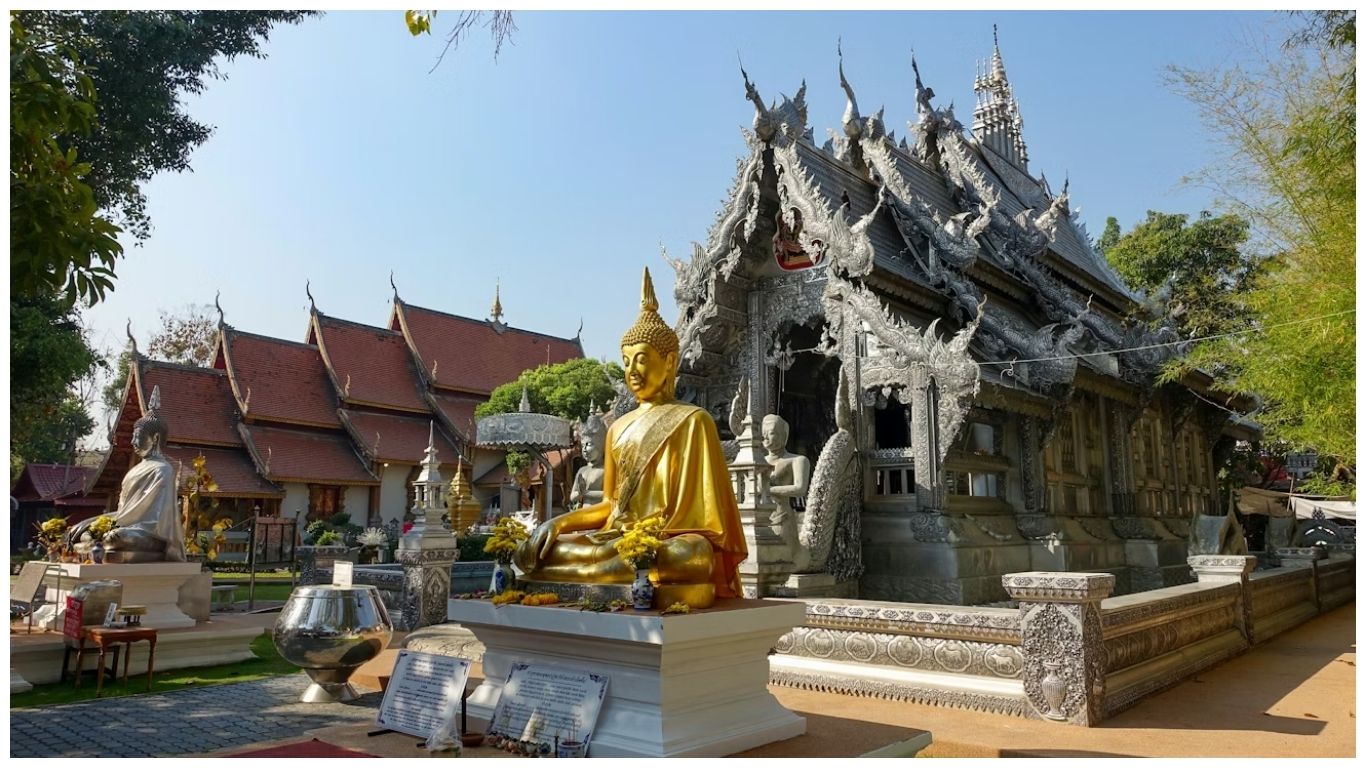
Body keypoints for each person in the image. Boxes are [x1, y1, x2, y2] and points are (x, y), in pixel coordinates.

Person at [515, 268, 747, 608]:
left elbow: (704, 522)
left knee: (691, 557)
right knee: (536, 550)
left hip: (666, 540)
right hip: (616, 539)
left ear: (669, 362)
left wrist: (647, 541)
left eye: (642, 360)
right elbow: (611, 505)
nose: (632, 371)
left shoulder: (694, 421)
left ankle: (609, 569)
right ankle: (608, 568)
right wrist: (558, 523)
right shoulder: (618, 428)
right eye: (626, 362)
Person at [68, 386, 185, 562]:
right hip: (124, 526)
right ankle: (96, 540)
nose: (132, 442)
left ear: (155, 438)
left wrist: (117, 526)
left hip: (148, 533)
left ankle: (103, 541)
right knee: (81, 531)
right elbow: (123, 512)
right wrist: (97, 522)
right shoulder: (134, 470)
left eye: (137, 436)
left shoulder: (163, 470)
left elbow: (157, 520)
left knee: (117, 537)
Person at [761, 415, 810, 528]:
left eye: (771, 433)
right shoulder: (759, 461)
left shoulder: (797, 460)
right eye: (763, 433)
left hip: (782, 517)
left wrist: (767, 490)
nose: (765, 437)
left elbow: (800, 489)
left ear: (783, 436)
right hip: (759, 518)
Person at [568, 407, 607, 509]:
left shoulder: (606, 469)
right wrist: (580, 493)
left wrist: (586, 493)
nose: (584, 449)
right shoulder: (582, 470)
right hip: (584, 510)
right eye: (583, 445)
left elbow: (610, 494)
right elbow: (572, 496)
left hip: (600, 511)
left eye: (589, 444)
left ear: (600, 446)